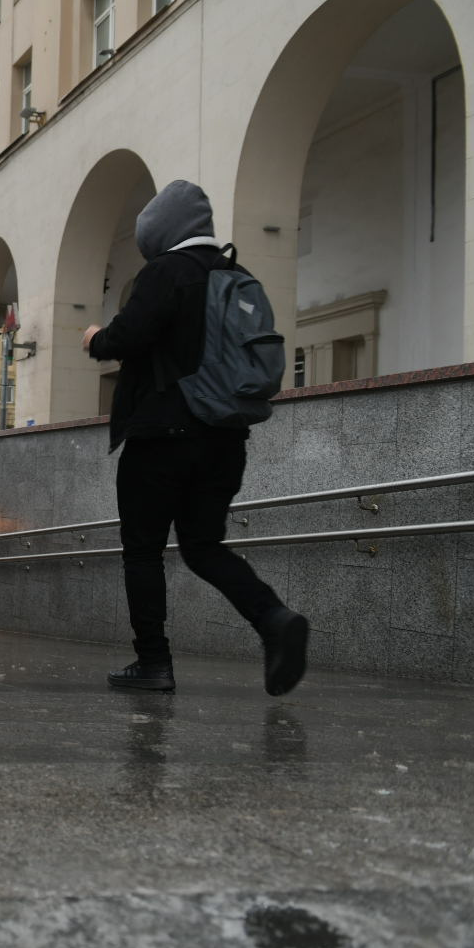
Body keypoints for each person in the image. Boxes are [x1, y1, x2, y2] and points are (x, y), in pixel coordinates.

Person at [83, 178, 309, 696]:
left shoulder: (165, 272)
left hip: (162, 434)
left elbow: (129, 337)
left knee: (142, 550)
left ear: (160, 232)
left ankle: (153, 663)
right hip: (224, 439)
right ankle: (273, 617)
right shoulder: (237, 273)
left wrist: (97, 338)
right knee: (204, 546)